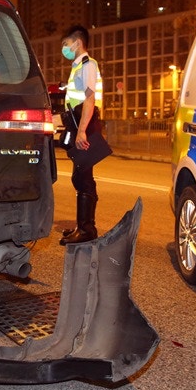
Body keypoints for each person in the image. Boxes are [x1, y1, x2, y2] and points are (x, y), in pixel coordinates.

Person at [59, 25, 112, 245]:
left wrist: (82, 131)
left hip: (85, 125)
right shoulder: (77, 67)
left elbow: (89, 99)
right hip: (78, 122)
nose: (64, 49)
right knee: (80, 176)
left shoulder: (88, 65)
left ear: (77, 43)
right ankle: (84, 226)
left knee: (83, 176)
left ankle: (87, 229)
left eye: (65, 44)